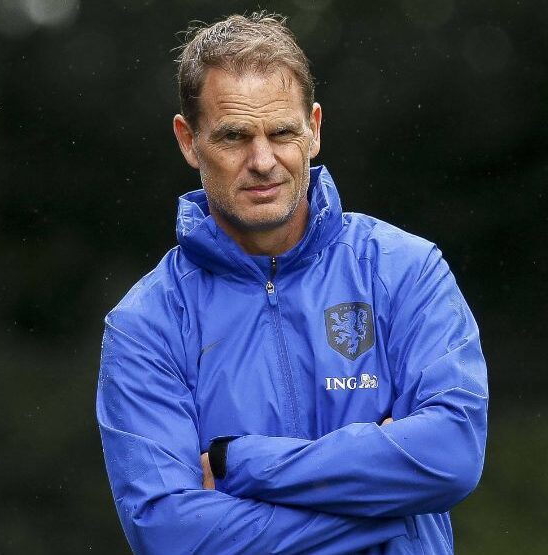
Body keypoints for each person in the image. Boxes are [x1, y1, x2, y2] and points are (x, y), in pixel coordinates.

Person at [96, 12, 488, 555]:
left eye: (281, 132)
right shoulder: (145, 325)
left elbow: (452, 456)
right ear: (189, 141)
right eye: (233, 136)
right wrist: (386, 509)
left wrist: (240, 463)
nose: (262, 161)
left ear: (314, 129)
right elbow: (170, 535)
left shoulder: (405, 270)